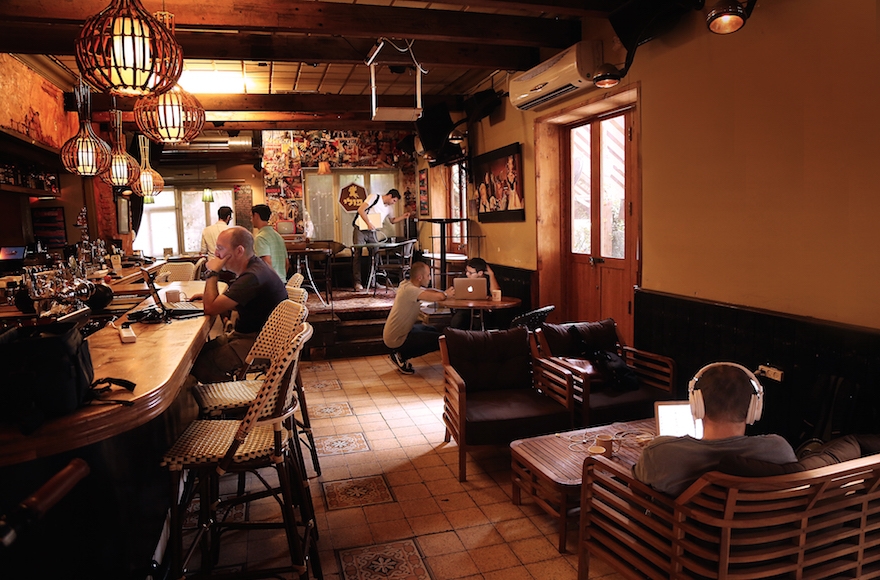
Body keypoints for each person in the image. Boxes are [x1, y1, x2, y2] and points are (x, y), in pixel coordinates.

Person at [633, 363, 796, 496]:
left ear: (698, 406)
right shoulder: (779, 450)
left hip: (684, 535)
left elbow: (636, 487)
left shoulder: (660, 453)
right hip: (761, 535)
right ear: (755, 409)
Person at [189, 226, 288, 383]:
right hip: (253, 336)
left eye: (220, 248)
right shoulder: (256, 267)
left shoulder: (252, 276)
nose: (216, 254)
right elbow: (244, 301)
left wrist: (213, 272)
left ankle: (228, 401)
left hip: (259, 344)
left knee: (199, 364)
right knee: (195, 354)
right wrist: (212, 298)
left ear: (239, 251)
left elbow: (211, 308)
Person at [383, 261, 445, 374]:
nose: (430, 278)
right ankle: (401, 355)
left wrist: (443, 292)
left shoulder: (406, 284)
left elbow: (428, 291)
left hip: (398, 333)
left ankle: (399, 354)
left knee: (432, 330)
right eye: (428, 275)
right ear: (419, 277)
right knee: (439, 340)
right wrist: (446, 294)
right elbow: (439, 297)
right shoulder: (411, 291)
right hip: (397, 338)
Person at [351, 188, 410, 291]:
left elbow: (392, 220)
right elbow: (360, 210)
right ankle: (357, 282)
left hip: (373, 232)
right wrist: (368, 223)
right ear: (390, 196)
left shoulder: (389, 209)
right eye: (394, 200)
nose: (393, 203)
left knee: (375, 254)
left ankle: (373, 281)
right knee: (358, 254)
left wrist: (403, 217)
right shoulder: (374, 197)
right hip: (360, 228)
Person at [446, 257, 501, 329]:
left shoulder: (488, 280)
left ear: (480, 273)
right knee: (458, 320)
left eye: (470, 273)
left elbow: (495, 292)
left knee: (484, 321)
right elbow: (452, 292)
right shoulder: (463, 278)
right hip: (465, 309)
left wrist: (491, 274)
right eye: (466, 271)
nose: (467, 274)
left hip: (483, 311)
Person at [252, 204, 289, 281]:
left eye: (251, 217)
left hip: (270, 282)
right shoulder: (278, 236)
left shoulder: (260, 238)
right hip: (281, 281)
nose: (251, 220)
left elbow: (266, 262)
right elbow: (286, 263)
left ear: (256, 216)